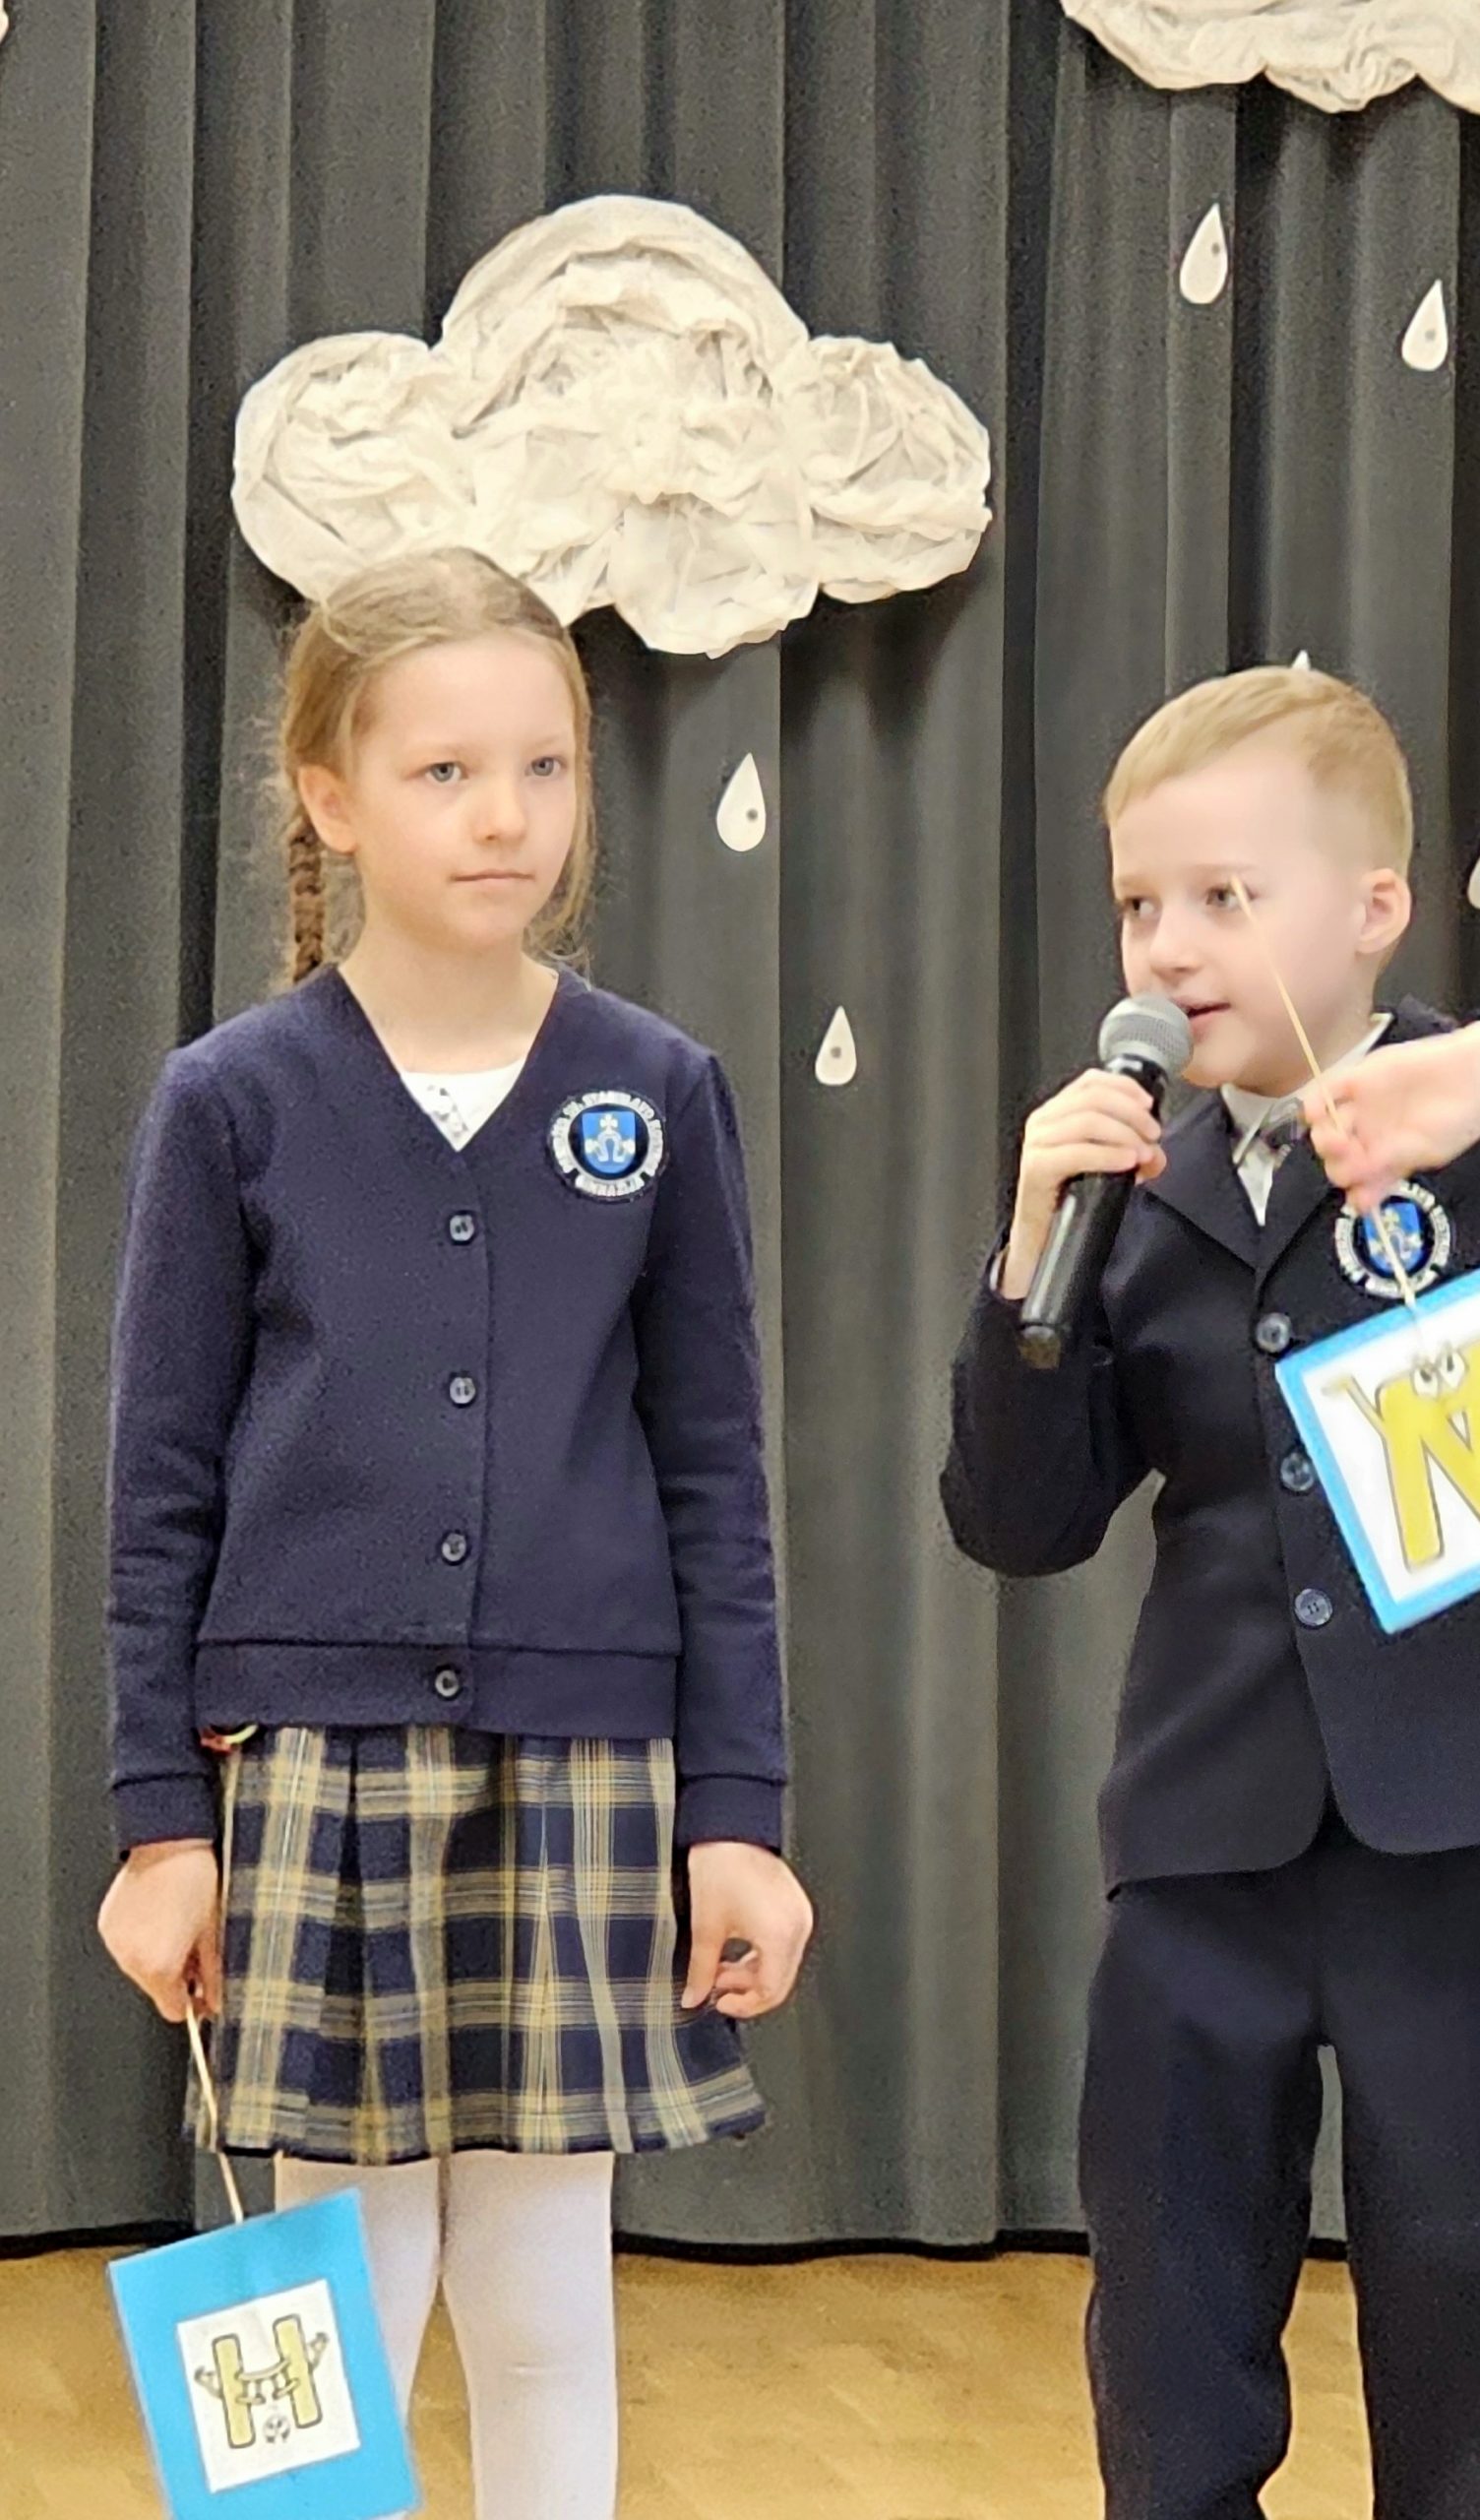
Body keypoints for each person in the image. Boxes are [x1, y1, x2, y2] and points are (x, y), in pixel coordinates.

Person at [95, 548, 816, 2520]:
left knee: (542, 2290)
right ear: (329, 796)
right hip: (311, 1768)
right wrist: (161, 1822)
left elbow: (715, 1476)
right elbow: (160, 1486)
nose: (504, 815)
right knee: (326, 2294)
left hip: (582, 1763)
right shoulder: (230, 1102)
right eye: (444, 772)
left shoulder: (655, 1090)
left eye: (542, 767)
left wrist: (738, 1809)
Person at [942, 665, 1480, 2517]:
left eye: (1226, 895)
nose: (1172, 945)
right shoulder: (1141, 1190)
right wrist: (1028, 1253)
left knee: (1459, 2307)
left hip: (1459, 1827)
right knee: (1173, 2312)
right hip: (1205, 1830)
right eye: (1141, 903)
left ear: (1374, 908)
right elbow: (1021, 1521)